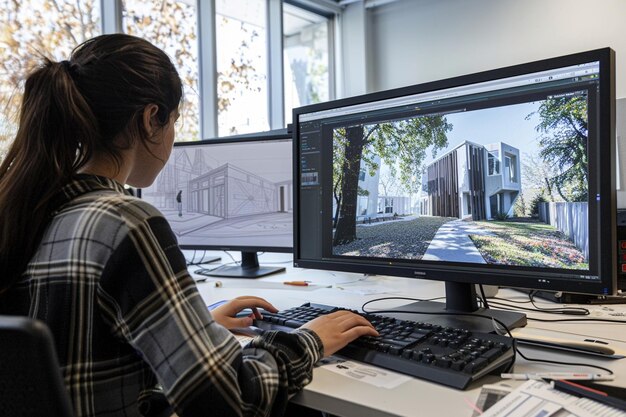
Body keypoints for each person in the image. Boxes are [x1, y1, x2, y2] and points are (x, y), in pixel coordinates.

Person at [0, 34, 378, 417]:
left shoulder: (28, 208)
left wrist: (188, 332)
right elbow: (233, 401)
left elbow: (74, 344)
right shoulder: (125, 222)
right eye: (174, 121)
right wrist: (311, 339)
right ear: (151, 119)